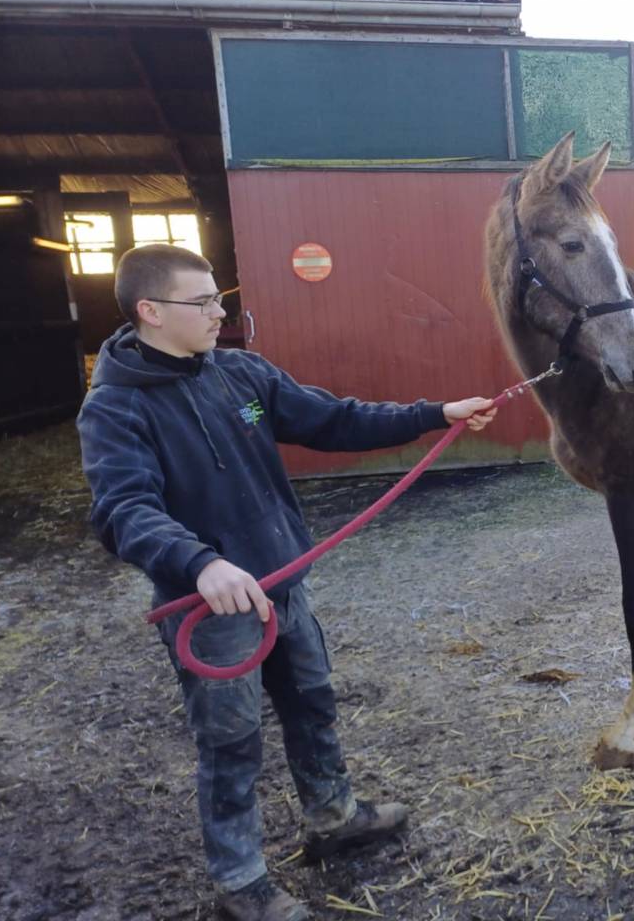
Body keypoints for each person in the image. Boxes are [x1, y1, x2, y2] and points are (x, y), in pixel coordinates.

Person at [76, 244, 496, 921]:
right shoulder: (114, 409)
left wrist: (435, 413)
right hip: (211, 609)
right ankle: (241, 881)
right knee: (232, 740)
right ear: (149, 312)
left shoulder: (239, 374)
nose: (221, 311)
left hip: (283, 583)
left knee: (312, 702)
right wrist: (200, 562)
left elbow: (335, 419)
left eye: (220, 296)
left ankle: (332, 818)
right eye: (203, 301)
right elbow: (122, 510)